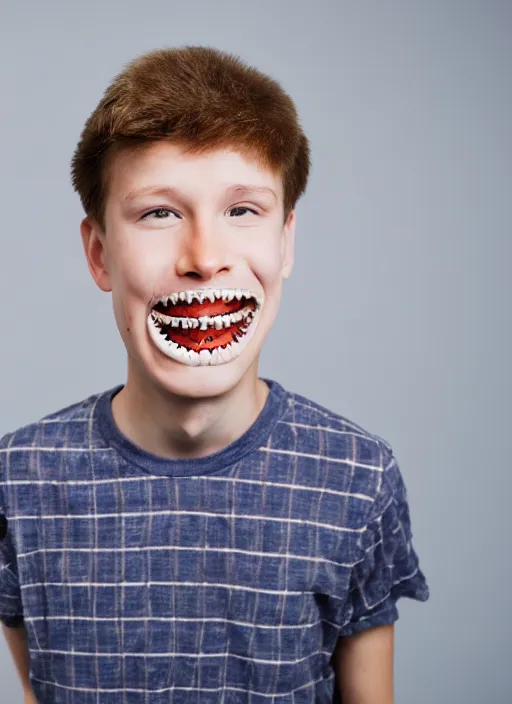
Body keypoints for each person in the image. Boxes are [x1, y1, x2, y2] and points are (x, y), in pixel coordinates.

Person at [0, 46, 429, 703]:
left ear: (285, 243)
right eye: (159, 214)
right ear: (99, 253)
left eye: (242, 211)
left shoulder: (357, 477)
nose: (204, 258)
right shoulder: (18, 481)